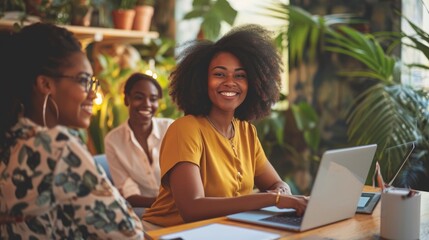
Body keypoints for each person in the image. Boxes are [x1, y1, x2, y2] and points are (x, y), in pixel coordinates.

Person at [143, 24, 308, 227]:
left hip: (226, 229)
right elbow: (191, 208)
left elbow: (275, 183)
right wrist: (274, 199)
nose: (230, 82)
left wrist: (282, 191)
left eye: (240, 75)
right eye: (219, 74)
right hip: (168, 231)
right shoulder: (185, 129)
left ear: (254, 83)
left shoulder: (247, 131)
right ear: (202, 81)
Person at [0, 23, 144, 239]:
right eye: (83, 81)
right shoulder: (56, 147)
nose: (93, 95)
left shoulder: (10, 139)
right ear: (45, 84)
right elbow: (130, 235)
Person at [104, 73, 174, 209]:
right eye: (138, 97)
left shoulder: (170, 128)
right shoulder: (113, 141)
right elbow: (129, 193)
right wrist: (165, 205)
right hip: (145, 209)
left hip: (181, 205)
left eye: (153, 99)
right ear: (126, 99)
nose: (147, 104)